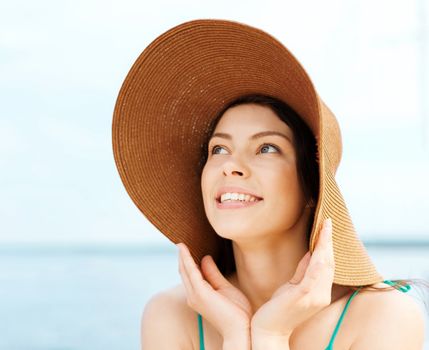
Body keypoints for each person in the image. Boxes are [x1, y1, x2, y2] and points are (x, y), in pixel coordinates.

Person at [111, 19, 427, 349]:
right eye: (219, 149)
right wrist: (235, 334)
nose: (230, 165)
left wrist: (270, 335)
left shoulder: (384, 317)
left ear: (312, 186)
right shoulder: (172, 316)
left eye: (267, 148)